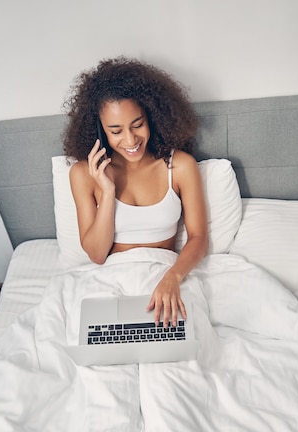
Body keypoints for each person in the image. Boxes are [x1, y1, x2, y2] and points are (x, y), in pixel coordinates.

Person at [63, 56, 208, 327]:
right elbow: (96, 254)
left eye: (137, 124)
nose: (130, 140)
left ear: (152, 117)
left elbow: (199, 237)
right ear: (99, 130)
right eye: (115, 131)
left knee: (182, 351)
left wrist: (173, 277)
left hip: (166, 272)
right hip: (111, 278)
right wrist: (107, 192)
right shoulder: (83, 174)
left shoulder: (180, 166)